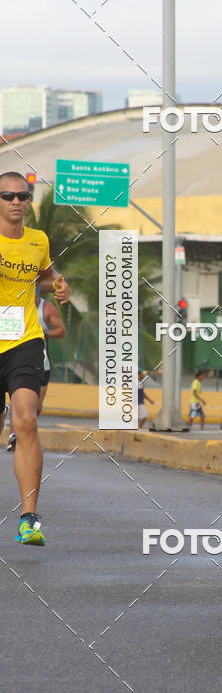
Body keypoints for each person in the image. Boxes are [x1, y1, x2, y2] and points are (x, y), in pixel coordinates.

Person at [0, 171, 70, 545]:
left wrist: (59, 285)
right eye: (7, 195)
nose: (16, 201)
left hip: (24, 340)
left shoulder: (37, 240)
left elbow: (44, 274)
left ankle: (29, 519)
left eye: (23, 196)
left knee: (25, 420)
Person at [6, 287, 66, 451]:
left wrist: (44, 333)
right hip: (18, 359)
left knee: (36, 406)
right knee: (19, 401)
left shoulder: (46, 308)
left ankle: (23, 429)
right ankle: (15, 436)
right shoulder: (14, 302)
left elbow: (61, 330)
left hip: (42, 361)